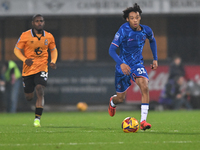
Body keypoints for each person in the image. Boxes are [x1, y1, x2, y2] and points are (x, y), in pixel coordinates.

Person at [108, 3, 158, 131]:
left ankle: (143, 121)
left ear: (140, 17)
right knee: (120, 98)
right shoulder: (123, 31)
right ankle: (113, 102)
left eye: (137, 17)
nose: (135, 20)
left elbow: (152, 40)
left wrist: (155, 58)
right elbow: (112, 50)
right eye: (132, 18)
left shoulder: (146, 30)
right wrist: (121, 63)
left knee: (144, 86)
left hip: (137, 65)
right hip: (122, 67)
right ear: (127, 19)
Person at [14, 14, 58, 127]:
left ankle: (37, 119)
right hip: (28, 70)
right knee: (29, 97)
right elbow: (16, 50)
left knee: (40, 89)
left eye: (41, 21)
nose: (39, 23)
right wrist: (24, 59)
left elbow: (53, 50)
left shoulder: (49, 36)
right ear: (33, 23)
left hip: (42, 68)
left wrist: (53, 60)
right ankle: (31, 95)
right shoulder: (25, 35)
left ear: (44, 23)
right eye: (37, 21)